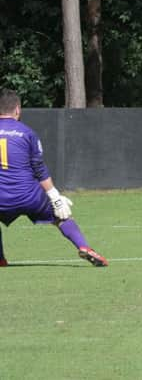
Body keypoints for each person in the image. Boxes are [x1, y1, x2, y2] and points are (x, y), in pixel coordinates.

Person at [0, 88, 107, 267]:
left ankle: (1, 259)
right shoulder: (27, 133)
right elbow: (39, 169)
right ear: (17, 109)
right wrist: (55, 197)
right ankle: (84, 247)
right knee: (61, 217)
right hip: (29, 195)